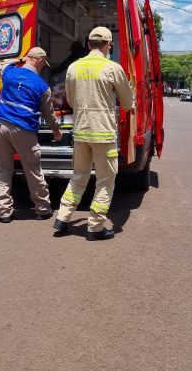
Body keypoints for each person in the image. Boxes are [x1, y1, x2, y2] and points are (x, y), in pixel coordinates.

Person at [52, 26, 135, 240]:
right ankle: (95, 227)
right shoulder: (112, 68)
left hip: (81, 132)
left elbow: (70, 100)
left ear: (88, 44)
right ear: (109, 45)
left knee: (79, 176)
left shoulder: (73, 68)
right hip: (103, 134)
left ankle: (62, 218)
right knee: (105, 179)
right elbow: (127, 102)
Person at [0, 47, 63, 223]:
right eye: (43, 64)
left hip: (1, 126)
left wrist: (19, 59)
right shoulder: (41, 86)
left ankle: (4, 212)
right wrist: (56, 131)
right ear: (39, 61)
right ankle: (42, 208)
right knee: (33, 170)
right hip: (24, 130)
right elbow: (49, 114)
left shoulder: (9, 72)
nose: (43, 68)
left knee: (2, 170)